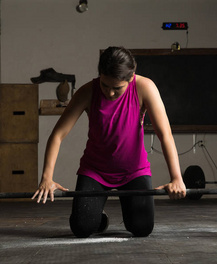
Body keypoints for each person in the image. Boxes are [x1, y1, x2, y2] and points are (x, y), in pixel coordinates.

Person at [32, 46, 186, 238]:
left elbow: (165, 134)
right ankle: (98, 215)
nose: (110, 93)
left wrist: (176, 178)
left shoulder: (145, 87)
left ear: (131, 77)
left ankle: (119, 209)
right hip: (95, 170)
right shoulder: (87, 91)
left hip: (134, 171)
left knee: (142, 228)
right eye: (105, 85)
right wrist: (47, 177)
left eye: (117, 88)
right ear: (100, 75)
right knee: (82, 228)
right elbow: (57, 135)